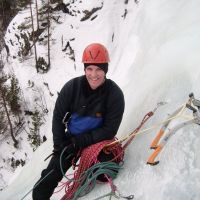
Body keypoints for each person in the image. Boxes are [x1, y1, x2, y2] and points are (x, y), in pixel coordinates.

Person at [32, 43, 125, 200]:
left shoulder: (114, 94)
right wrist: (59, 146)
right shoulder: (72, 88)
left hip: (98, 141)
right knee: (48, 178)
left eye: (98, 69)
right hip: (72, 140)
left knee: (106, 170)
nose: (93, 74)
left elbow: (109, 130)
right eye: (89, 69)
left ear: (105, 70)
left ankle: (91, 170)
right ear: (84, 69)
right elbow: (58, 117)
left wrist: (81, 141)